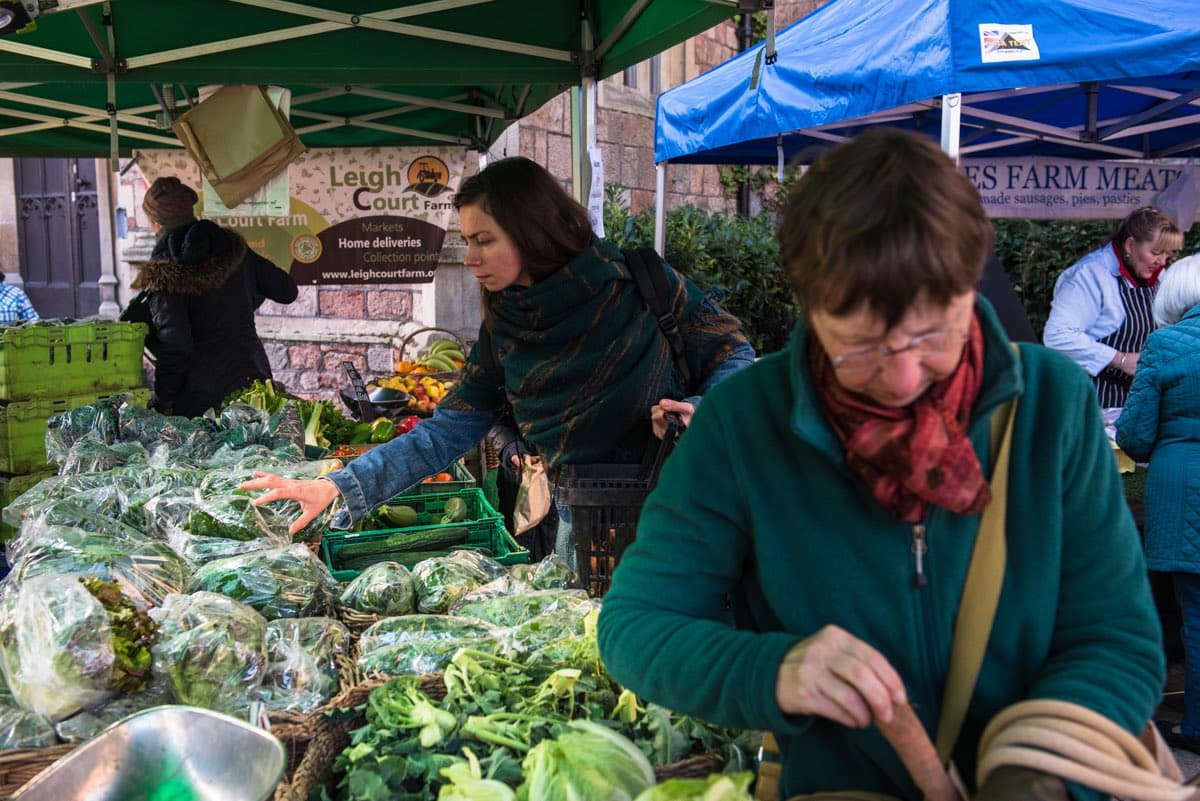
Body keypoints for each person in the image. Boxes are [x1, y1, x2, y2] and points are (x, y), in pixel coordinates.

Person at [596, 130, 1165, 801]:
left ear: (969, 289)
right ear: (811, 305)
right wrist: (774, 670)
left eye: (932, 336)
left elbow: (1118, 639)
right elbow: (636, 624)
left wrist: (1041, 772)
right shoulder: (742, 422)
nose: (901, 379)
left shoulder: (1051, 403)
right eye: (860, 344)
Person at [242, 156, 755, 548]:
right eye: (467, 240)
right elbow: (446, 431)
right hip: (584, 523)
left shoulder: (641, 282)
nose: (469, 258)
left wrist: (702, 409)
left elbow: (734, 354)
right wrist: (340, 487)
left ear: (533, 232)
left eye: (483, 240)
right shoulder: (505, 328)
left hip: (685, 512)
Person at [1116, 252, 1200, 754]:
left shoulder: (1165, 344)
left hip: (1185, 489)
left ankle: (1197, 727)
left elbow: (1134, 435)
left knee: (1196, 614)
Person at [133, 176, 298, 417]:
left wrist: (163, 400)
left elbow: (177, 346)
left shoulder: (162, 271)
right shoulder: (234, 249)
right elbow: (286, 290)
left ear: (155, 222)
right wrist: (243, 296)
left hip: (201, 398)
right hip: (251, 379)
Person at [1043, 206, 1183, 408]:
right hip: (1092, 400)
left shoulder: (1158, 275)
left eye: (1167, 254)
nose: (1161, 261)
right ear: (1130, 245)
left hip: (1138, 400)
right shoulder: (1090, 274)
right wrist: (1120, 359)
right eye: (1155, 252)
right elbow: (1057, 336)